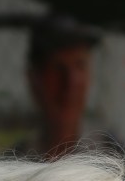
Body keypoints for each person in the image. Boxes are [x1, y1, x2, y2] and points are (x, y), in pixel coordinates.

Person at [22, 14, 110, 158]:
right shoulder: (16, 163)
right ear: (34, 79)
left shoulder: (113, 155)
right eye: (58, 68)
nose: (71, 82)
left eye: (80, 66)